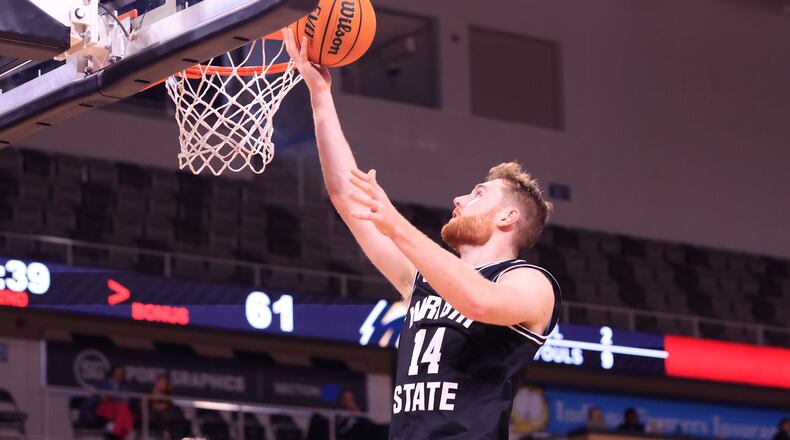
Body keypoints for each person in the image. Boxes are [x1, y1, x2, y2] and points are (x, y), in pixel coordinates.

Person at [283, 28, 561, 440]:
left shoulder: (530, 282)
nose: (459, 197)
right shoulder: (424, 281)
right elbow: (346, 196)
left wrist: (394, 223)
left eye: (477, 193)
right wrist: (320, 95)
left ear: (507, 217)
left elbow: (480, 302)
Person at [94, 365, 134, 439]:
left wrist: (116, 398)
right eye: (117, 373)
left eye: (121, 373)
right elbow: (103, 398)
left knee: (123, 408)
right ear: (112, 374)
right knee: (122, 407)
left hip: (117, 411)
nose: (119, 375)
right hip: (105, 408)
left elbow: (128, 398)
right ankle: (122, 432)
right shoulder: (106, 383)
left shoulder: (124, 386)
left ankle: (117, 431)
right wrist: (117, 398)